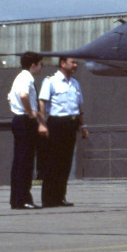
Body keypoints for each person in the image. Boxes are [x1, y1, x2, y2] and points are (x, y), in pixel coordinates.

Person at [38, 56, 88, 207]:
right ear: (62, 63)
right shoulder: (50, 81)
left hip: (71, 124)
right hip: (56, 124)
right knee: (52, 162)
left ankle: (60, 197)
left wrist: (83, 126)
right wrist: (42, 123)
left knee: (65, 163)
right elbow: (42, 101)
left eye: (76, 62)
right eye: (73, 62)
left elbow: (79, 108)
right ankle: (48, 199)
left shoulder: (75, 83)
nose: (75, 65)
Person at [7, 51, 43, 210]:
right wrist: (30, 112)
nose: (42, 67)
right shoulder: (27, 77)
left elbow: (10, 98)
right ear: (33, 65)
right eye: (40, 64)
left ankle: (17, 199)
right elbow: (23, 95)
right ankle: (23, 199)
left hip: (18, 119)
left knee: (19, 161)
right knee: (26, 162)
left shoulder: (19, 78)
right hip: (25, 120)